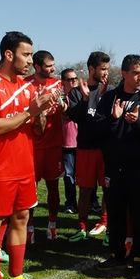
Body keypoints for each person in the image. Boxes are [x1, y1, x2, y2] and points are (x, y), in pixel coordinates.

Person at [0, 31, 58, 279]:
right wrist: (30, 113)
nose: (29, 60)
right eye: (25, 54)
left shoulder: (29, 87)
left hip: (25, 166)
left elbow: (38, 129)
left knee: (22, 217)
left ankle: (16, 273)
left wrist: (41, 115)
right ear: (9, 55)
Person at [94, 54, 140, 279]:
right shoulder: (111, 97)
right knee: (116, 214)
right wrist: (114, 119)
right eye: (135, 73)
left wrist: (138, 123)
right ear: (124, 74)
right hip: (114, 166)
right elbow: (98, 130)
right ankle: (117, 254)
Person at [66, 51, 111, 242]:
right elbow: (75, 116)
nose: (106, 72)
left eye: (108, 69)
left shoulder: (110, 91)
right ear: (92, 69)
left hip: (106, 148)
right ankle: (82, 227)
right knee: (85, 190)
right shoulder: (77, 92)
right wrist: (85, 100)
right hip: (85, 148)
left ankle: (105, 223)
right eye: (103, 69)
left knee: (108, 188)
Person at [25, 50, 65, 241]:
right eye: (49, 66)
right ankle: (29, 227)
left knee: (53, 187)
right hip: (31, 145)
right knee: (30, 190)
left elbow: (63, 106)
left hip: (53, 145)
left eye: (53, 65)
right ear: (37, 66)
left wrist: (63, 105)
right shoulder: (25, 84)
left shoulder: (57, 84)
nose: (53, 69)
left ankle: (52, 225)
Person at [61, 68, 79, 214]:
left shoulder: (82, 95)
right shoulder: (61, 98)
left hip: (83, 141)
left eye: (75, 79)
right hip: (67, 142)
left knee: (87, 177)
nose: (73, 81)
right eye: (70, 79)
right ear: (63, 82)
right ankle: (71, 203)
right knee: (68, 175)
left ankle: (92, 202)